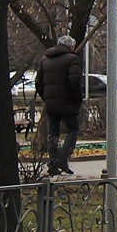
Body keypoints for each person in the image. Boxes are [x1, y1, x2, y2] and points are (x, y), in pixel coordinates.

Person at [36, 35, 83, 175]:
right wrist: (77, 99)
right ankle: (63, 158)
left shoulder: (45, 59)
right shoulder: (72, 59)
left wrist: (47, 97)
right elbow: (74, 81)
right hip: (68, 102)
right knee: (73, 130)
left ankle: (52, 163)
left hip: (51, 103)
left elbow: (38, 82)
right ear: (70, 47)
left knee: (53, 133)